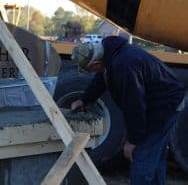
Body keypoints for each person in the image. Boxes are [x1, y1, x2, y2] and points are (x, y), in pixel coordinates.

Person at [71, 36, 185, 185]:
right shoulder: (109, 52)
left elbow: (134, 106)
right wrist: (84, 99)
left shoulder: (123, 66)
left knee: (141, 156)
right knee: (155, 155)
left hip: (165, 105)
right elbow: (101, 78)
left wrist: (132, 141)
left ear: (97, 62)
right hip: (161, 100)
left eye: (91, 69)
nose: (93, 72)